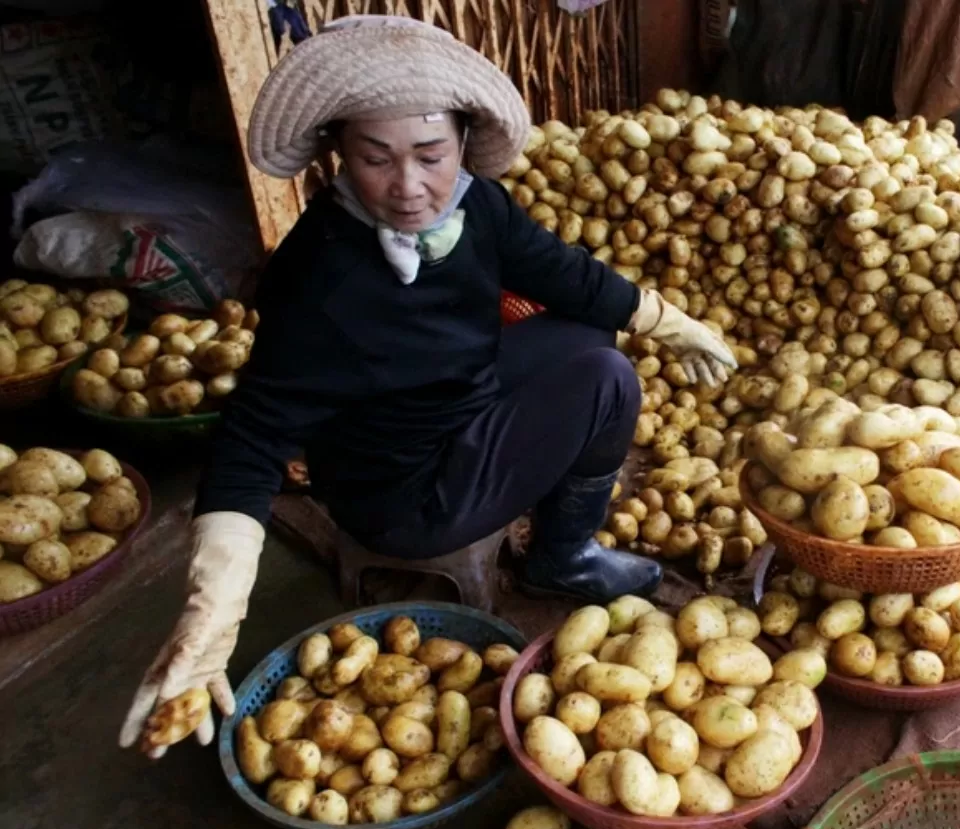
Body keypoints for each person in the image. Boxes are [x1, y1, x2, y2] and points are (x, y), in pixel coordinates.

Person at [118, 16, 736, 757]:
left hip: (454, 406)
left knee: (584, 335)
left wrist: (670, 321)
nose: (409, 188)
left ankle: (558, 552)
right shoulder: (320, 278)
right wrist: (211, 615)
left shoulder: (475, 206)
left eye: (430, 155)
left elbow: (558, 272)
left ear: (463, 145)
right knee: (605, 381)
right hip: (404, 493)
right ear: (335, 156)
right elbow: (251, 439)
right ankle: (562, 560)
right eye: (376, 159)